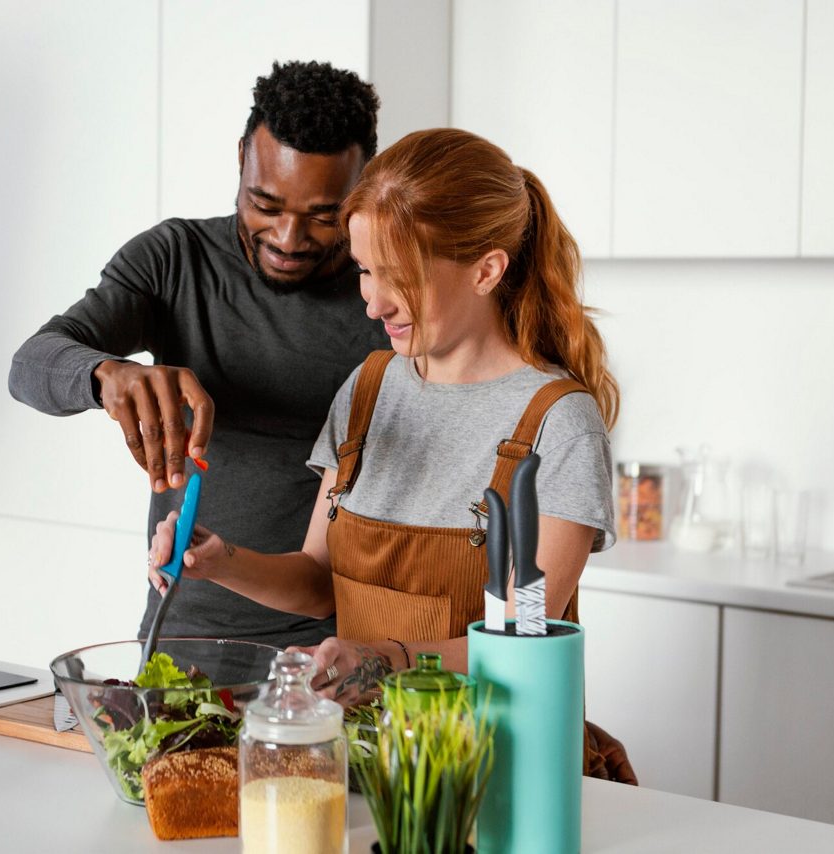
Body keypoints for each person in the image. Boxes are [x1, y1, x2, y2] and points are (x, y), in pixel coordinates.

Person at [148, 127, 620, 703]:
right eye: (366, 271)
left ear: (487, 270)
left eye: (400, 276)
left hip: (488, 768)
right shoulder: (369, 388)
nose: (374, 302)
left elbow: (524, 635)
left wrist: (382, 663)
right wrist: (220, 561)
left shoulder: (558, 423)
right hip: (370, 752)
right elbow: (320, 581)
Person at [9, 61, 388, 649]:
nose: (289, 239)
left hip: (335, 651)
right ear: (241, 158)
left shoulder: (387, 299)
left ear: (364, 186)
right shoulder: (176, 259)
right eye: (265, 204)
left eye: (322, 216)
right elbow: (30, 365)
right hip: (182, 638)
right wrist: (107, 374)